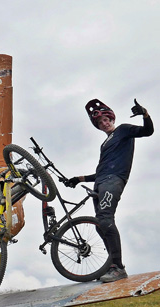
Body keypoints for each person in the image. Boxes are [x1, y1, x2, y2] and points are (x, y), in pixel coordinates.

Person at [64, 99, 153, 283]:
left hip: (114, 181)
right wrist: (78, 179)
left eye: (106, 120)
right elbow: (101, 171)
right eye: (100, 123)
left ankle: (117, 268)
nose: (104, 124)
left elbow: (148, 131)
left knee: (105, 219)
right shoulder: (104, 145)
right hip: (101, 183)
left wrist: (145, 114)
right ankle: (110, 266)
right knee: (100, 226)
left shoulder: (123, 130)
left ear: (111, 118)